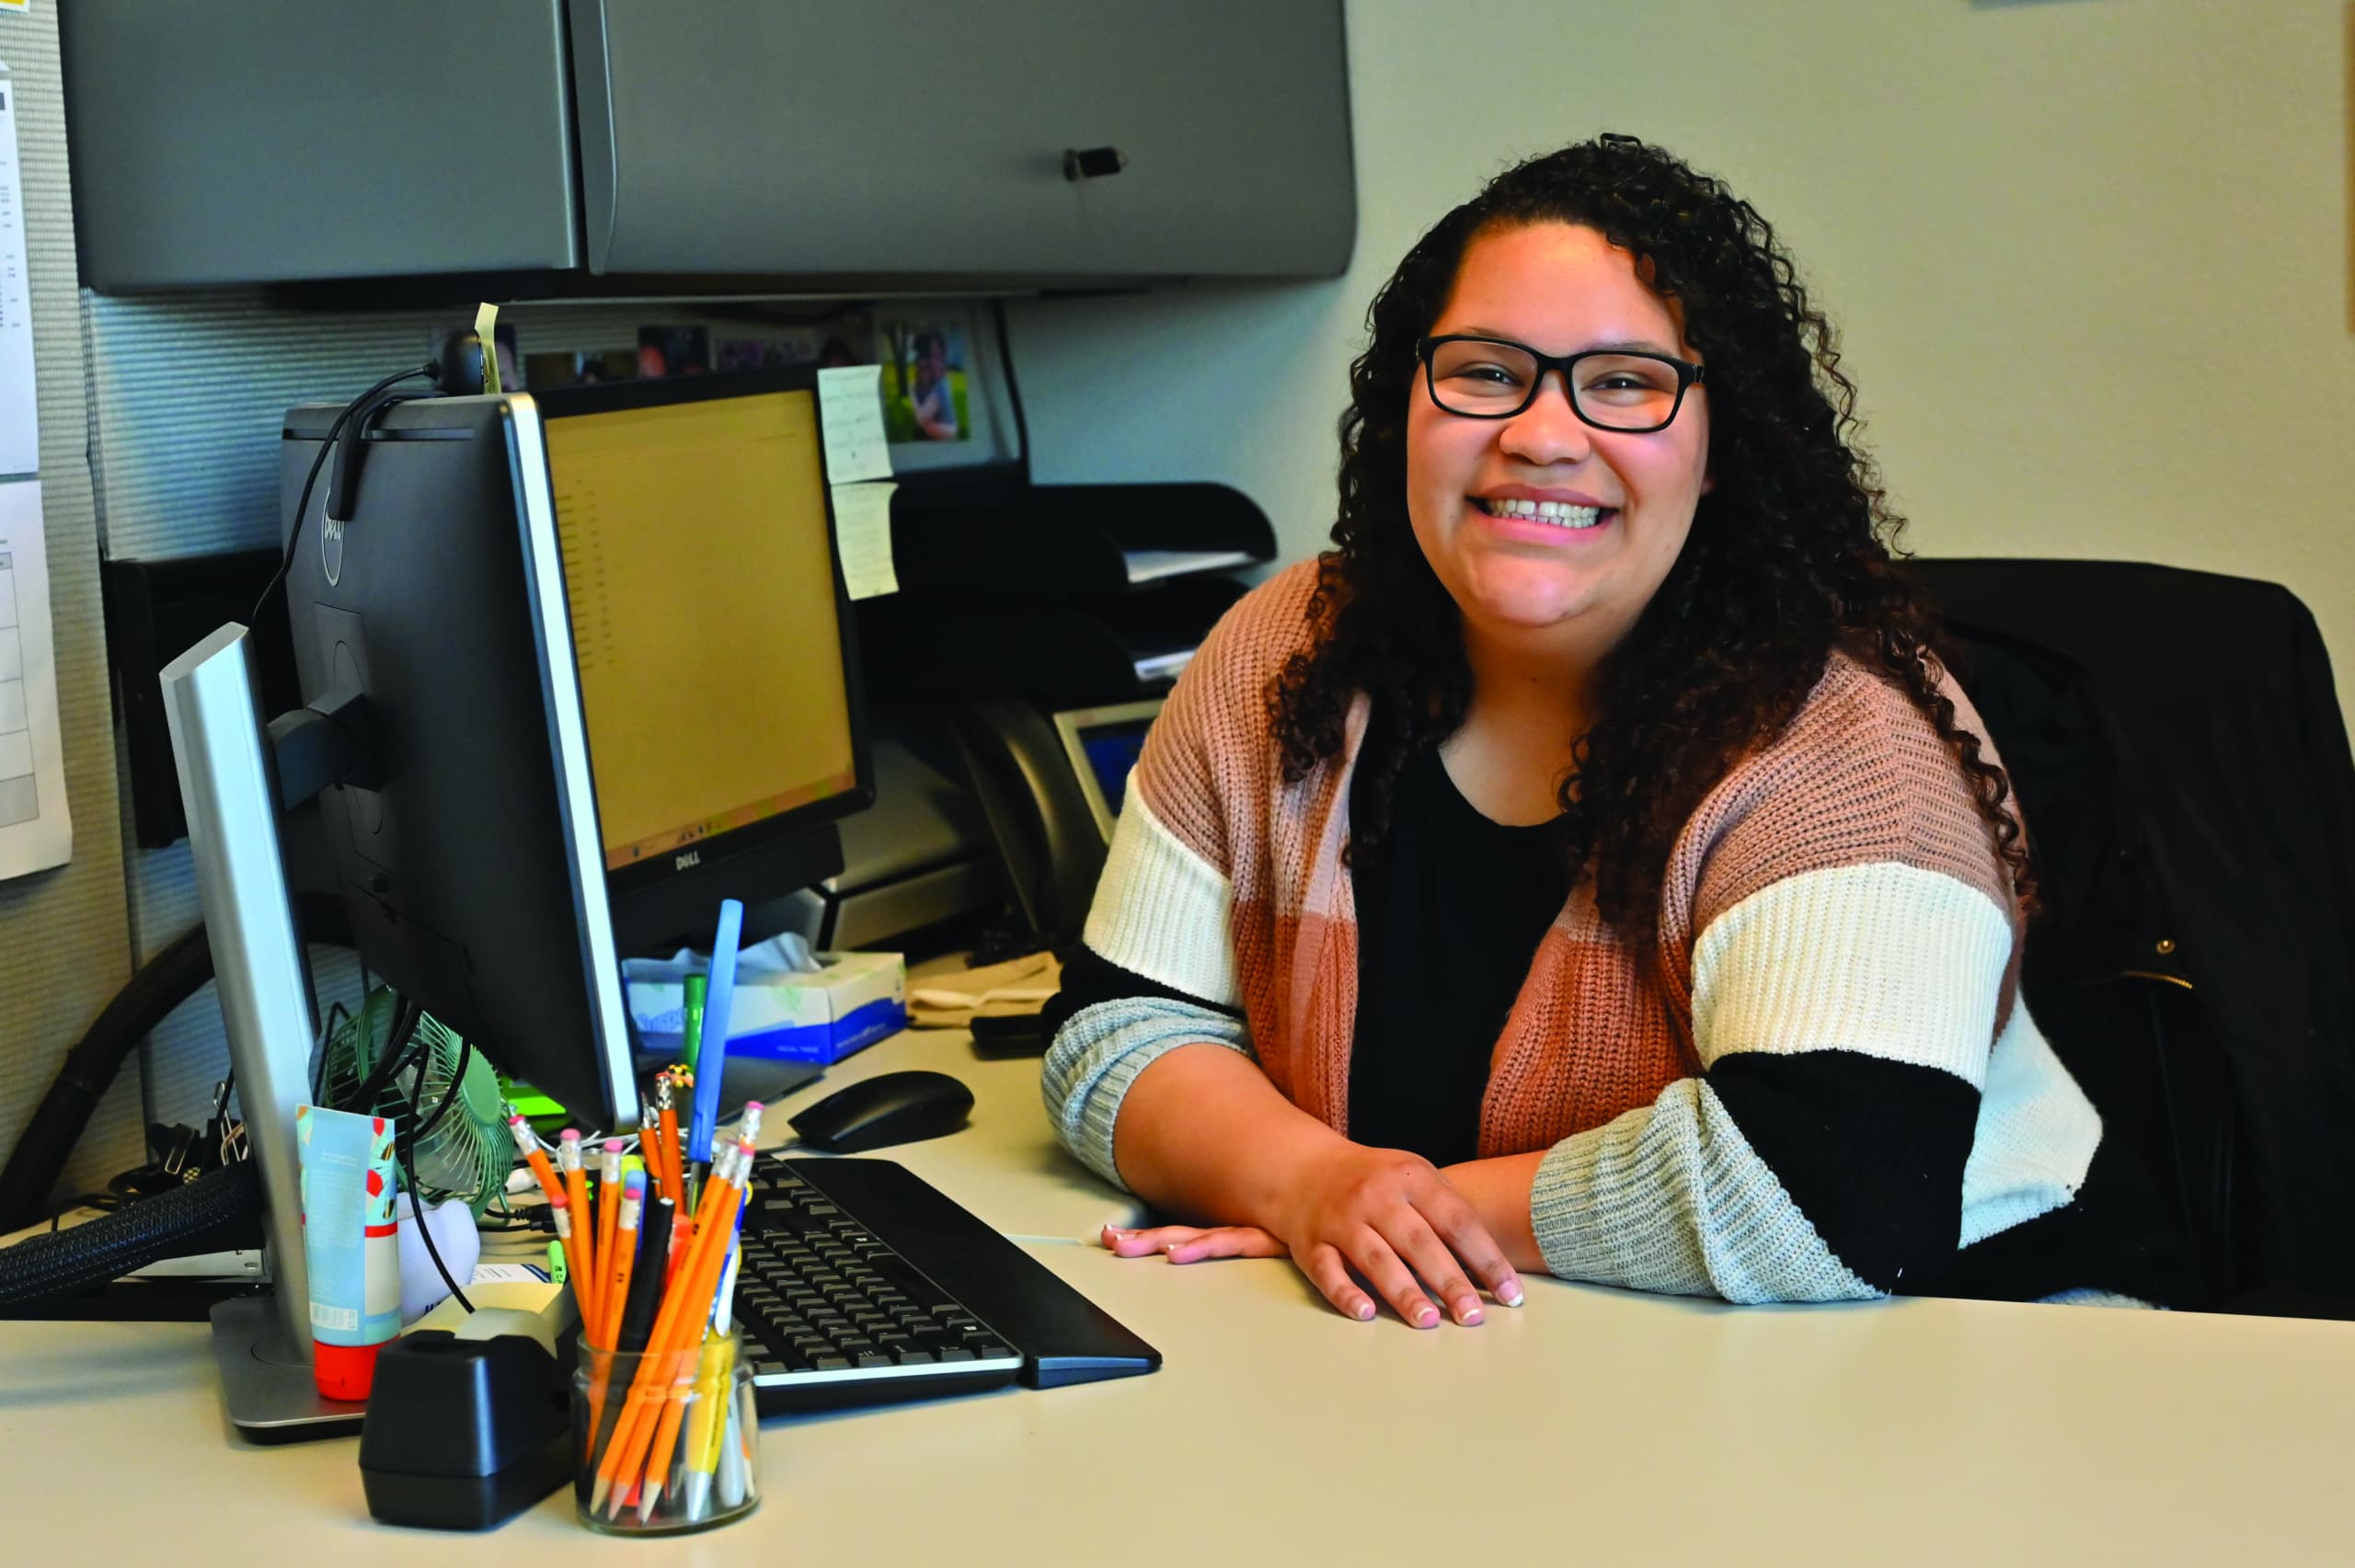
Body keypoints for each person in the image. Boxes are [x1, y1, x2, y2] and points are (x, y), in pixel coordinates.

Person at [1040, 134, 2196, 1330]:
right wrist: (1311, 1182)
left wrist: (1390, 1216)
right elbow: (1114, 1028)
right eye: (1485, 371)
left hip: (1979, 1344)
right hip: (1528, 1348)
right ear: (1406, 409)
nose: (1541, 433)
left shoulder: (1842, 744)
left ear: (1717, 451)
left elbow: (1821, 1195)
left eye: (1627, 382)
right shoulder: (1289, 654)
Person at [909, 330, 960, 440]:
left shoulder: (941, 385)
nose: (935, 363)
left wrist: (911, 392)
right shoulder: (919, 384)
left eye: (939, 356)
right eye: (929, 356)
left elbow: (920, 419)